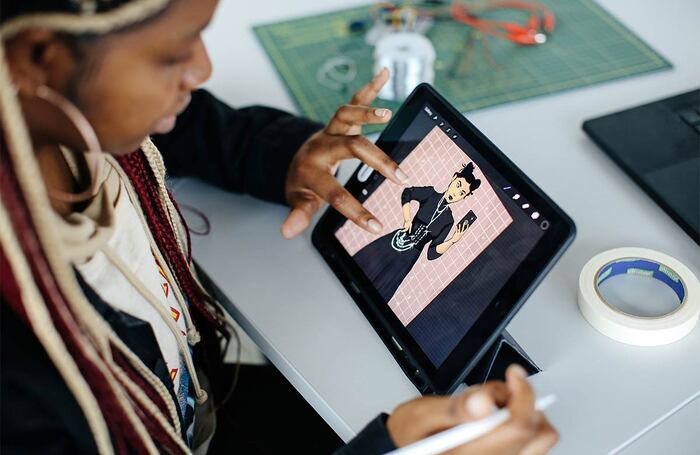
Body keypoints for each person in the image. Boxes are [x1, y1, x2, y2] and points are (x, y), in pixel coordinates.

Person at [0, 0, 558, 453]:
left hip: (182, 407)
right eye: (172, 54)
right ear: (38, 56)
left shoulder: (82, 124)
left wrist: (290, 158)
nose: (202, 70)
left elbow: (199, 128)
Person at [353, 163, 481, 302]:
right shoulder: (431, 194)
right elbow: (408, 193)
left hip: (408, 258)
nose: (456, 193)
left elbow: (431, 253)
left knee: (380, 289)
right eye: (458, 185)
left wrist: (453, 240)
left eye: (462, 193)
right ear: (453, 178)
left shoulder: (448, 220)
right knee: (363, 267)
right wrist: (407, 220)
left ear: (463, 198)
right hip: (397, 239)